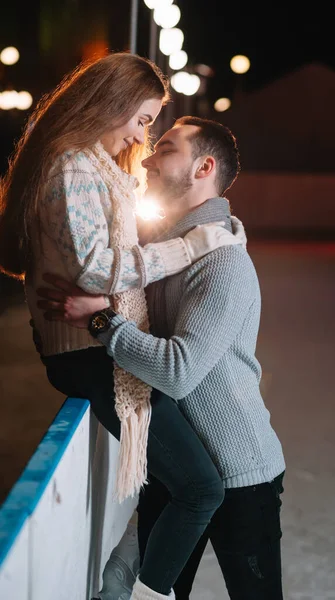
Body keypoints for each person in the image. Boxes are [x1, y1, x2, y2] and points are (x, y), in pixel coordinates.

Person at [0, 54, 245, 600]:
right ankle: (134, 592)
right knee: (202, 486)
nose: (144, 135)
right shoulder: (71, 166)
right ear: (109, 105)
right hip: (88, 354)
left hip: (103, 345)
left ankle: (123, 579)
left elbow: (114, 254)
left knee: (187, 474)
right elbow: (96, 267)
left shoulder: (98, 165)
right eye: (142, 119)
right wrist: (191, 247)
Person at [36, 117, 286, 600]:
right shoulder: (168, 249)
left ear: (203, 167)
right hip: (181, 475)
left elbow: (178, 371)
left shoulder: (223, 262)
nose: (148, 157)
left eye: (166, 148)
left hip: (241, 475)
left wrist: (100, 323)